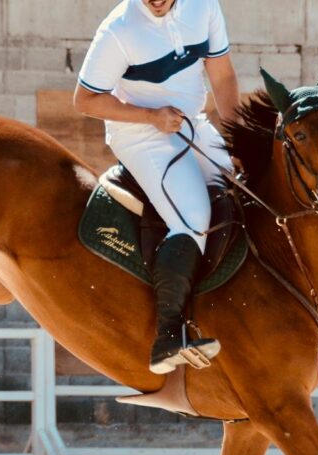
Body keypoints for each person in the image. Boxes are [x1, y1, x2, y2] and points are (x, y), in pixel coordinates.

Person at [73, 0, 240, 375]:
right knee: (194, 217)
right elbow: (84, 100)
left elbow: (223, 76)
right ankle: (168, 337)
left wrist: (237, 139)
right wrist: (150, 116)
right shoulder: (118, 30)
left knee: (247, 193)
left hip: (192, 123)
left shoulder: (204, 8)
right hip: (141, 134)